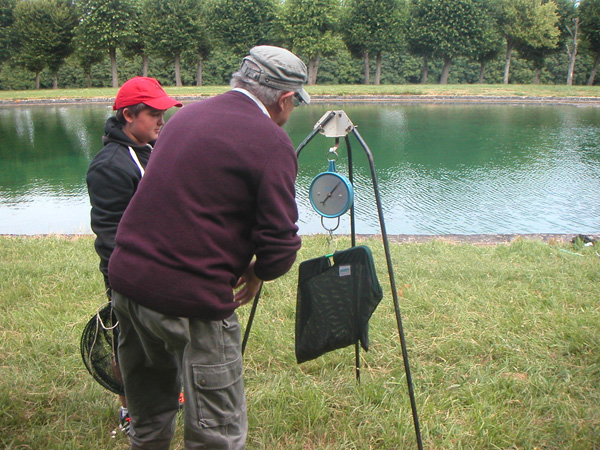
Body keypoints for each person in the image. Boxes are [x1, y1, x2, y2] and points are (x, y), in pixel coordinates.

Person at [107, 45, 309, 450]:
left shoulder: (188, 116)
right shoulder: (271, 142)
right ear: (285, 99)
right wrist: (258, 272)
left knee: (148, 422)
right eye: (294, 103)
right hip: (191, 300)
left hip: (128, 283)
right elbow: (280, 243)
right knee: (217, 435)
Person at [86, 76, 182, 433]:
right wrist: (124, 285)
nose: (162, 120)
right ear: (129, 114)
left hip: (163, 268)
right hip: (131, 276)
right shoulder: (110, 166)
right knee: (129, 346)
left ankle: (167, 395)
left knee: (161, 342)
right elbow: (111, 235)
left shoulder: (149, 148)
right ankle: (131, 410)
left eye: (164, 112)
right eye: (154, 113)